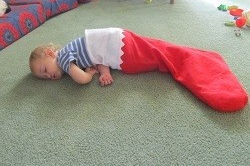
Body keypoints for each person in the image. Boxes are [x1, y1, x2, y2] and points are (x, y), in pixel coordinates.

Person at [29, 28, 248, 112]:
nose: (49, 75)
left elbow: (81, 80)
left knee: (159, 57)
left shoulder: (65, 59)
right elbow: (97, 54)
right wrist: (103, 72)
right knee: (159, 48)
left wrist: (89, 75)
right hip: (117, 38)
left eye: (44, 69)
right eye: (44, 77)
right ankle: (197, 55)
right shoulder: (74, 50)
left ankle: (196, 63)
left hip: (121, 51)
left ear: (50, 54)